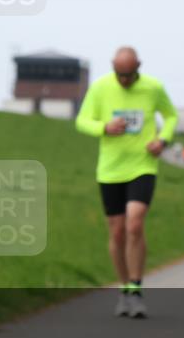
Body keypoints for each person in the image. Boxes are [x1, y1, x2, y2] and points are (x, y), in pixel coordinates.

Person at [76, 47, 178, 318]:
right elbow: (82, 120)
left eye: (129, 74)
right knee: (117, 231)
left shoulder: (153, 88)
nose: (123, 80)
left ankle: (136, 287)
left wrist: (163, 139)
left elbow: (171, 116)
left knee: (135, 222)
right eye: (119, 74)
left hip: (143, 165)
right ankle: (123, 288)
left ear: (139, 67)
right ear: (113, 68)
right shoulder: (100, 88)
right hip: (110, 169)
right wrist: (103, 128)